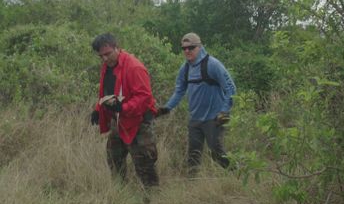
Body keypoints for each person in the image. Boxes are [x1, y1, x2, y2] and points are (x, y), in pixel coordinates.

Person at [157, 32, 236, 175]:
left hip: (214, 119)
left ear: (199, 47)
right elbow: (179, 91)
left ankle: (237, 175)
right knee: (193, 155)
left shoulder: (213, 65)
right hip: (195, 119)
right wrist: (167, 108)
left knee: (217, 153)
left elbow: (231, 89)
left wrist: (224, 111)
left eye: (191, 47)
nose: (187, 51)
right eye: (184, 48)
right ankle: (192, 185)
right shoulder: (185, 68)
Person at [90, 33, 159, 187]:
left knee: (144, 164)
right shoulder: (107, 66)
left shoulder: (134, 67)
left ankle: (154, 200)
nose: (105, 59)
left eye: (107, 54)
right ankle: (121, 194)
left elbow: (145, 97)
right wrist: (98, 108)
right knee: (114, 159)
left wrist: (123, 107)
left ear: (117, 48)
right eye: (101, 56)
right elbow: (107, 92)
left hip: (138, 123)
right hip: (119, 122)